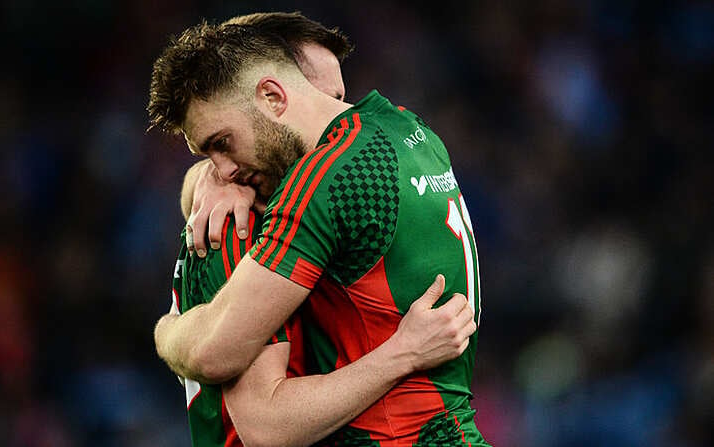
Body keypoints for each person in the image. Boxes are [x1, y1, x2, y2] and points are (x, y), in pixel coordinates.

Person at [149, 19, 488, 445]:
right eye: (210, 155)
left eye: (223, 143)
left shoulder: (323, 181)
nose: (225, 170)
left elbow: (215, 356)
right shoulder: (412, 132)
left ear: (273, 96)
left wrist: (168, 329)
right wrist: (203, 180)